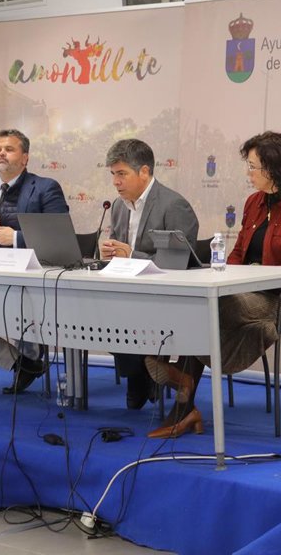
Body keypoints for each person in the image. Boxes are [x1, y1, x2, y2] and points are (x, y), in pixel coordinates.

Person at [143, 131, 281, 438]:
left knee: (214, 303)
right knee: (201, 297)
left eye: (253, 167)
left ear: (274, 169)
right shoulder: (254, 203)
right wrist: (223, 274)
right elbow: (239, 253)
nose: (248, 173)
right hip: (243, 292)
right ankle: (184, 396)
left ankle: (181, 388)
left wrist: (254, 276)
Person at [0, 129, 68, 393]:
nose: (2, 154)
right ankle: (20, 363)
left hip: (30, 285)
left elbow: (60, 238)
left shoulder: (45, 188)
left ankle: (30, 356)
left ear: (25, 158)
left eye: (9, 149)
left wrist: (16, 238)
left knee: (20, 313)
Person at [100, 138, 199, 409]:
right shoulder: (118, 206)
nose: (116, 182)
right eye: (113, 174)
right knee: (96, 310)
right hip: (127, 290)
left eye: (122, 174)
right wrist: (109, 253)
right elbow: (120, 252)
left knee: (123, 312)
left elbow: (177, 264)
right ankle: (143, 370)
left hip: (164, 295)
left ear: (144, 171)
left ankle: (142, 373)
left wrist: (131, 254)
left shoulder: (174, 205)